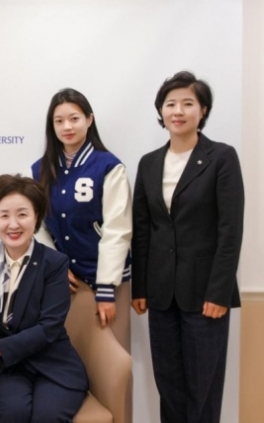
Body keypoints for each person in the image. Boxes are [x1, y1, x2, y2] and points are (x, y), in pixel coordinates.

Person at [132, 71, 244, 423]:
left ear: (203, 110)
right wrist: (140, 287)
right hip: (161, 294)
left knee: (203, 388)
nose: (177, 111)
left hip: (205, 295)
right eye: (170, 104)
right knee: (170, 386)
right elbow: (143, 230)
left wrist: (219, 292)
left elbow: (230, 230)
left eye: (187, 103)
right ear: (161, 111)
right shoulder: (149, 163)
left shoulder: (221, 157)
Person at [0, 174, 88, 422]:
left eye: (22, 214)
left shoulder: (55, 263)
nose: (13, 224)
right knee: (12, 413)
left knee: (47, 416)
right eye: (4, 215)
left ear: (36, 217)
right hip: (3, 370)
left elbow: (50, 328)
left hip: (53, 364)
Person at [31, 88, 132, 350]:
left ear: (89, 119)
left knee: (113, 358)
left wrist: (106, 288)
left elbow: (117, 230)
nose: (67, 126)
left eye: (74, 118)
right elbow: (37, 225)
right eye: (59, 121)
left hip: (107, 281)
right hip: (64, 282)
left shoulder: (108, 166)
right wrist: (56, 265)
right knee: (70, 355)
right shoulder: (40, 169)